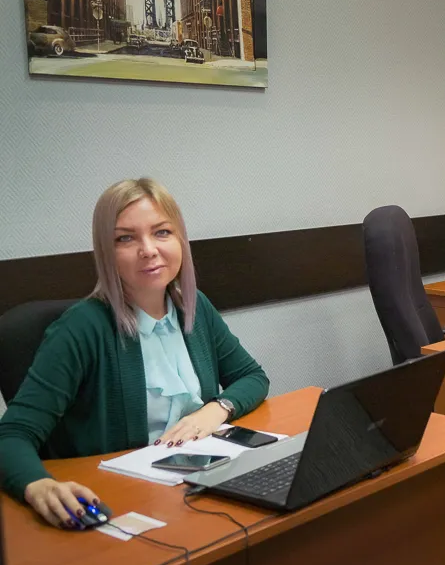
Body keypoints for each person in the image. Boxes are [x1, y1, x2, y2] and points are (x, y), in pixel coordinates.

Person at [0, 178, 269, 528]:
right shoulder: (81, 328)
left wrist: (215, 410)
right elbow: (11, 435)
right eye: (125, 238)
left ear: (180, 239)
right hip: (121, 500)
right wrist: (39, 486)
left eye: (162, 232)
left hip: (197, 488)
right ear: (105, 252)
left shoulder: (193, 307)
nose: (148, 249)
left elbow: (252, 377)